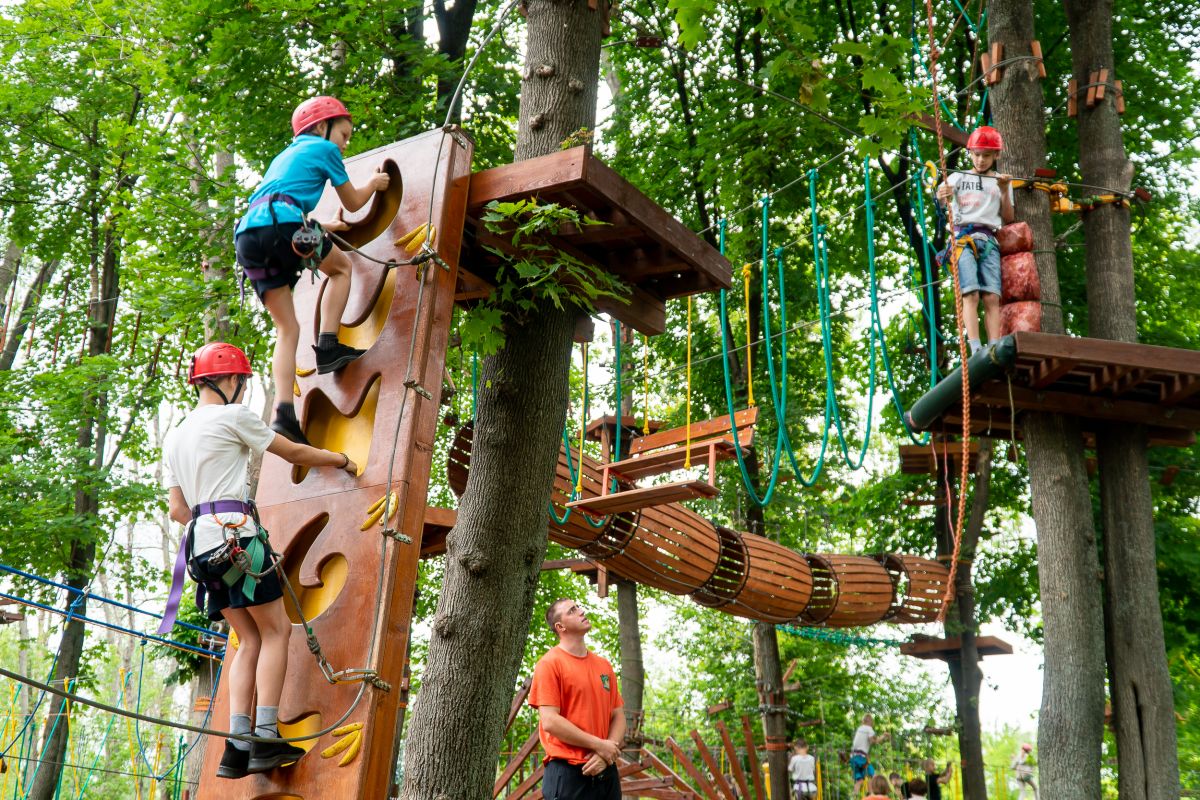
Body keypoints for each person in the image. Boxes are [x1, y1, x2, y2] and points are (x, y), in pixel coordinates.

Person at [163, 343, 358, 778]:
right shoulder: (233, 417)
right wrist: (340, 460)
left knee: (247, 641)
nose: (243, 390)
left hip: (202, 550)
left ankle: (236, 747)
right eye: (242, 382)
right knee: (276, 632)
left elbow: (178, 509)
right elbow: (293, 452)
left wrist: (208, 523)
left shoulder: (175, 435)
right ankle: (266, 737)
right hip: (237, 540)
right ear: (228, 381)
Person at [234, 95, 391, 444]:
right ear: (322, 127)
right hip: (282, 227)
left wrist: (325, 228)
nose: (345, 143)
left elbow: (278, 207)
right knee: (342, 269)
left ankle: (284, 414)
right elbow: (353, 201)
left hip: (248, 236)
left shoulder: (283, 157)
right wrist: (374, 185)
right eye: (344, 135)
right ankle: (329, 347)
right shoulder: (324, 150)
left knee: (287, 328)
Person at [529, 600, 626, 800]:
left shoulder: (604, 666)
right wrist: (600, 745)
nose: (581, 611)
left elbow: (618, 715)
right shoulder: (549, 664)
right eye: (572, 611)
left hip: (606, 771)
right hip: (568, 775)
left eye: (579, 607)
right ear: (560, 627)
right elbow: (550, 721)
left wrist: (605, 752)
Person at [935, 125, 1015, 357]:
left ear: (996, 155)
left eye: (986, 155)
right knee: (971, 293)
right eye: (977, 154)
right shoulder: (958, 177)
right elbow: (941, 204)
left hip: (989, 238)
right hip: (963, 238)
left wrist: (1003, 190)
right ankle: (975, 347)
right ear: (970, 153)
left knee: (991, 296)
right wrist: (941, 196)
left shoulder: (1001, 181)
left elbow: (1008, 218)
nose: (980, 160)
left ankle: (993, 346)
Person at [850, 713, 891, 795]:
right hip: (861, 757)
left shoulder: (860, 728)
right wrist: (883, 736)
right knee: (872, 775)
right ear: (870, 721)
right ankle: (871, 794)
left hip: (853, 757)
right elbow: (874, 741)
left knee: (859, 780)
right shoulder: (869, 729)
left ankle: (854, 795)